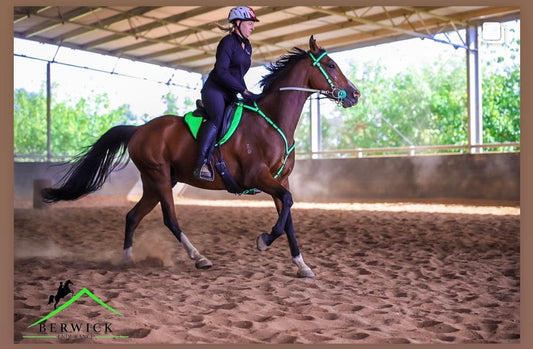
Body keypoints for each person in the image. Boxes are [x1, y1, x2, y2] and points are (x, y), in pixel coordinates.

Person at [193, 6, 261, 181]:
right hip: (214, 90)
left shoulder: (248, 47)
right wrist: (242, 90)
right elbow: (222, 72)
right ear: (238, 23)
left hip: (231, 92)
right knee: (218, 118)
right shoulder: (227, 42)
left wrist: (248, 94)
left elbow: (238, 74)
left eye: (253, 23)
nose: (252, 27)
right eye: (249, 23)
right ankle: (201, 162)